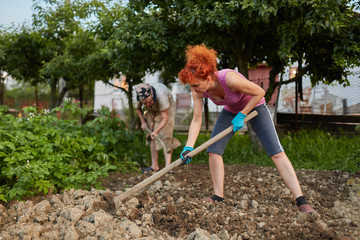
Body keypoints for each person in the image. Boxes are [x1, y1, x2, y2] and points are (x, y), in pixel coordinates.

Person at [178, 44, 315, 213]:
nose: (193, 90)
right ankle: (218, 196)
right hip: (231, 111)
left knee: (275, 152)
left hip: (255, 106)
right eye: (191, 86)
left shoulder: (228, 78)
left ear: (207, 79)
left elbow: (259, 92)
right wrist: (188, 147)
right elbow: (196, 120)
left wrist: (242, 114)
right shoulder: (198, 91)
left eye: (195, 85)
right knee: (214, 150)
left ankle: (300, 199)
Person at [134, 82, 176, 173]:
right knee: (151, 136)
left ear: (152, 94)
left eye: (150, 101)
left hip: (167, 109)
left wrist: (156, 131)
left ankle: (168, 167)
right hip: (152, 111)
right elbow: (138, 108)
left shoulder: (161, 95)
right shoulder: (139, 94)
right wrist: (143, 122)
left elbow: (165, 117)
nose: (148, 104)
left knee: (166, 136)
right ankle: (154, 166)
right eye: (145, 103)